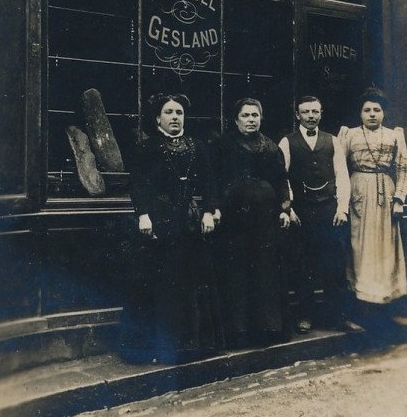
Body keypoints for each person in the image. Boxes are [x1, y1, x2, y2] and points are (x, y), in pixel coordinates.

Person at [120, 93, 224, 364]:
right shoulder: (147, 147)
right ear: (158, 119)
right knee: (161, 283)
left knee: (190, 282)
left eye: (179, 112)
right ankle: (157, 347)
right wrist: (142, 214)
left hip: (189, 223)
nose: (175, 117)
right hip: (158, 221)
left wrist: (210, 211)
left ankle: (191, 346)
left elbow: (210, 183)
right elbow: (138, 184)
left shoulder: (197, 147)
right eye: (169, 112)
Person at [211, 98, 291, 348]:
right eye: (245, 116)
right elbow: (212, 179)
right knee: (237, 272)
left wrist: (284, 209)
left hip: (265, 219)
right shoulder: (223, 145)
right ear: (236, 120)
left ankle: (267, 329)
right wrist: (214, 209)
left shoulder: (270, 147)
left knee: (265, 272)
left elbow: (281, 181)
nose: (250, 120)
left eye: (255, 115)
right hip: (234, 220)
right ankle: (239, 332)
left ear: (261, 118)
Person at [278, 95, 354, 333]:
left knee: (335, 265)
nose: (311, 116)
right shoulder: (287, 142)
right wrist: (288, 208)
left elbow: (342, 176)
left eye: (315, 111)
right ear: (297, 115)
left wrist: (342, 208)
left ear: (321, 113)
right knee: (303, 265)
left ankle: (338, 317)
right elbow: (282, 178)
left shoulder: (332, 141)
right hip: (301, 214)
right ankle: (305, 316)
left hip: (329, 212)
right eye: (305, 112)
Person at [338, 88, 407, 333]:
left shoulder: (394, 135)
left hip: (387, 197)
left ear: (384, 113)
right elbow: (340, 169)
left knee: (385, 251)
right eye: (367, 110)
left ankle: (383, 311)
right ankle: (361, 311)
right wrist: (344, 202)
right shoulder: (349, 135)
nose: (372, 114)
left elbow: (403, 168)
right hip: (359, 195)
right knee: (360, 250)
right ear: (360, 113)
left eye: (376, 110)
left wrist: (399, 199)